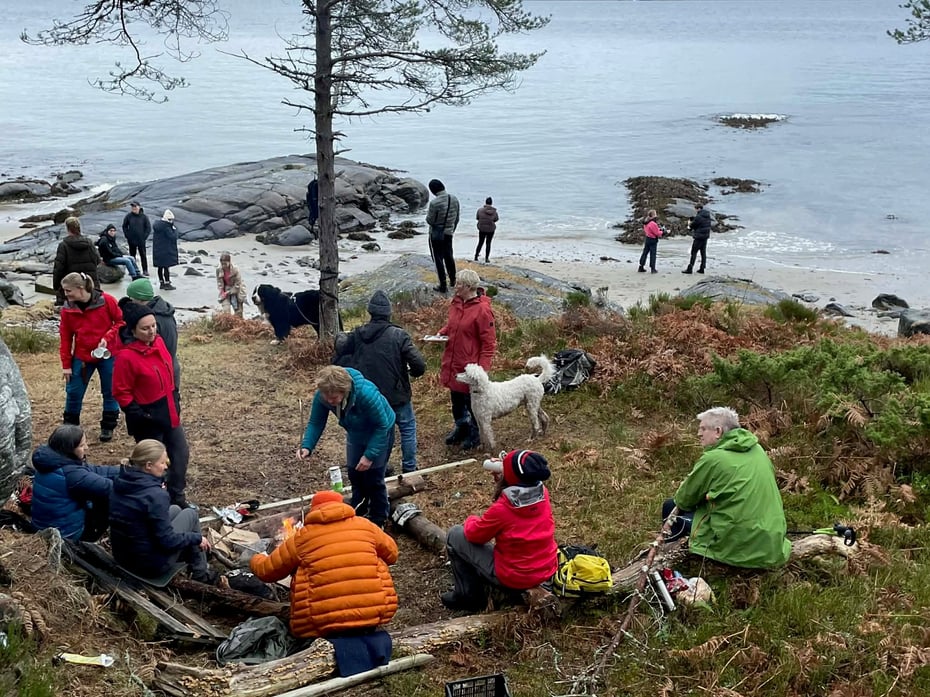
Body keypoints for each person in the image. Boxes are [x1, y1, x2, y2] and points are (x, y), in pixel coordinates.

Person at [250, 489, 398, 638]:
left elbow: (267, 571)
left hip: (322, 618)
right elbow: (392, 555)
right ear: (341, 504)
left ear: (313, 509)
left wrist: (256, 558)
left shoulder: (303, 537)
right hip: (375, 607)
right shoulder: (365, 526)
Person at [662, 407, 791, 569]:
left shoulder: (713, 459)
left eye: (702, 429)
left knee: (669, 506)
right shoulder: (758, 450)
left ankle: (673, 563)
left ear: (718, 431)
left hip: (735, 546)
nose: (698, 434)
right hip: (772, 543)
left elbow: (684, 500)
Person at [442, 449, 558, 612]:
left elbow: (475, 535)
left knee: (455, 534)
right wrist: (505, 478)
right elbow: (519, 487)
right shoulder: (543, 493)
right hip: (546, 569)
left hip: (515, 575)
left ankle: (467, 596)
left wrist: (471, 519)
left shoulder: (503, 509)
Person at [333, 290, 426, 474]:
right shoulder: (399, 335)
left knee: (376, 431)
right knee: (407, 428)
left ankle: (380, 468)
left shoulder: (358, 334)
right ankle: (409, 468)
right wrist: (411, 373)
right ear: (388, 312)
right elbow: (419, 364)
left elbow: (341, 348)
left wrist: (341, 337)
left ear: (370, 312)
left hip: (369, 395)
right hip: (396, 394)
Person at [112, 301, 191, 508]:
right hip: (147, 418)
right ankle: (156, 500)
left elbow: (169, 374)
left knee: (180, 454)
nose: (151, 331)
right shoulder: (126, 357)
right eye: (145, 328)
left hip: (169, 410)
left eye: (153, 326)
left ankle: (178, 496)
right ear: (133, 330)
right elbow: (121, 391)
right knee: (153, 463)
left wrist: (175, 398)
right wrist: (138, 413)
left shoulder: (159, 343)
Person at [297, 366, 395, 528]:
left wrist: (369, 455)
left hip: (380, 431)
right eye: (326, 397)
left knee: (374, 477)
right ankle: (358, 510)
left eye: (334, 397)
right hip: (356, 432)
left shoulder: (366, 394)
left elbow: (382, 426)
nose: (329, 401)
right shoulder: (323, 396)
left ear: (345, 390)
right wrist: (307, 446)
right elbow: (316, 422)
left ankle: (379, 519)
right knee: (354, 473)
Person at [109, 439, 216, 584]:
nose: (166, 466)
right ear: (148, 465)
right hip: (148, 565)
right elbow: (167, 541)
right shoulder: (155, 495)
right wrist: (196, 538)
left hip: (124, 556)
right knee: (190, 515)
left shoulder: (122, 481)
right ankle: (201, 573)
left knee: (175, 509)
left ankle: (193, 558)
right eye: (162, 463)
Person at [58, 272, 125, 441]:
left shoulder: (107, 300)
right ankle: (70, 429)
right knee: (73, 392)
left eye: (68, 291)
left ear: (81, 289)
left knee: (110, 391)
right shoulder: (67, 309)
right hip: (82, 357)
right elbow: (65, 338)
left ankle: (108, 427)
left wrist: (107, 337)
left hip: (108, 354)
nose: (65, 295)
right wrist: (66, 364)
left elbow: (120, 322)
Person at [437, 269, 496, 451]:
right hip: (453, 360)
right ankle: (461, 427)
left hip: (469, 366)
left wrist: (481, 370)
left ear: (469, 287)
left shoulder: (483, 310)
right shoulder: (456, 303)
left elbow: (489, 343)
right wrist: (441, 333)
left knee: (471, 403)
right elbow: (452, 324)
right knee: (456, 399)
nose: (455, 286)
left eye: (459, 284)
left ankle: (475, 433)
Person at [30, 424, 119, 541]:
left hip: (42, 526)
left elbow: (92, 470)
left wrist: (124, 471)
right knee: (108, 499)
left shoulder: (51, 460)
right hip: (66, 535)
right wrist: (139, 479)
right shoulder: (73, 474)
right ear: (70, 448)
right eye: (82, 445)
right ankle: (91, 539)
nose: (86, 447)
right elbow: (110, 488)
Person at [124, 277, 181, 388]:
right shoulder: (165, 310)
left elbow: (144, 348)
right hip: (172, 365)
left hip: (160, 372)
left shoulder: (150, 319)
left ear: (140, 299)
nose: (130, 302)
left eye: (132, 299)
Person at [53, 216, 101, 305]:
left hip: (72, 287)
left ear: (67, 228)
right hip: (89, 285)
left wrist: (56, 286)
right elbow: (97, 260)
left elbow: (59, 268)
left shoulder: (63, 246)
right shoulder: (89, 243)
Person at [425, 178, 460, 293]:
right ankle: (453, 280)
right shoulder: (454, 199)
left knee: (438, 259)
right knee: (449, 256)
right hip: (449, 233)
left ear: (433, 191)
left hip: (436, 234)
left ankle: (443, 285)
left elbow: (430, 220)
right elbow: (457, 218)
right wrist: (451, 229)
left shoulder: (434, 203)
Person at [121, 201, 152, 277]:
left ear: (139, 207)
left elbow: (148, 228)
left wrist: (144, 237)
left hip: (141, 240)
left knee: (143, 255)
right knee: (132, 256)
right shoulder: (128, 216)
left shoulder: (144, 217)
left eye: (135, 206)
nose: (133, 208)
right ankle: (133, 270)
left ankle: (145, 270)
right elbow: (124, 226)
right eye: (132, 207)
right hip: (131, 240)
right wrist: (127, 235)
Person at [152, 209, 179, 291]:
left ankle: (161, 283)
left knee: (160, 267)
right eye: (170, 219)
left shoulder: (157, 226)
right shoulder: (166, 227)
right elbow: (173, 237)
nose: (171, 221)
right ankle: (167, 283)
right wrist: (175, 230)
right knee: (166, 267)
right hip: (166, 250)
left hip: (157, 249)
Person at [683, 203, 713, 274]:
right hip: (705, 236)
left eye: (696, 209)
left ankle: (690, 268)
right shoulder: (707, 216)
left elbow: (692, 226)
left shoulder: (698, 217)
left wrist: (689, 223)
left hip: (698, 237)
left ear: (698, 208)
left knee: (694, 252)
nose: (696, 211)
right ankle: (702, 268)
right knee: (703, 253)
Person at [215, 252, 246, 317]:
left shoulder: (235, 269)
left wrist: (229, 292)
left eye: (225, 264)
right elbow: (219, 281)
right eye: (222, 264)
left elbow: (238, 284)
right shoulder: (218, 269)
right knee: (226, 311)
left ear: (229, 262)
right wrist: (222, 291)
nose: (223, 266)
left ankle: (239, 323)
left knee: (238, 312)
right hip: (226, 288)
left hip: (237, 289)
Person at [637, 208, 663, 274]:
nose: (656, 215)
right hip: (653, 240)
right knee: (653, 254)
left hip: (647, 238)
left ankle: (641, 266)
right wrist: (663, 232)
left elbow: (651, 230)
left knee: (645, 253)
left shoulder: (646, 222)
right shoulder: (653, 223)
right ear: (653, 215)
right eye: (655, 214)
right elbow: (657, 233)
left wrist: (659, 230)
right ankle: (653, 269)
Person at [474, 196, 499, 264]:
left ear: (485, 202)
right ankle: (487, 258)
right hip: (491, 229)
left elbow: (477, 218)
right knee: (488, 243)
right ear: (491, 203)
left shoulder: (480, 210)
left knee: (480, 242)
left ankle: (476, 256)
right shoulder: (494, 212)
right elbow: (496, 219)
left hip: (482, 228)